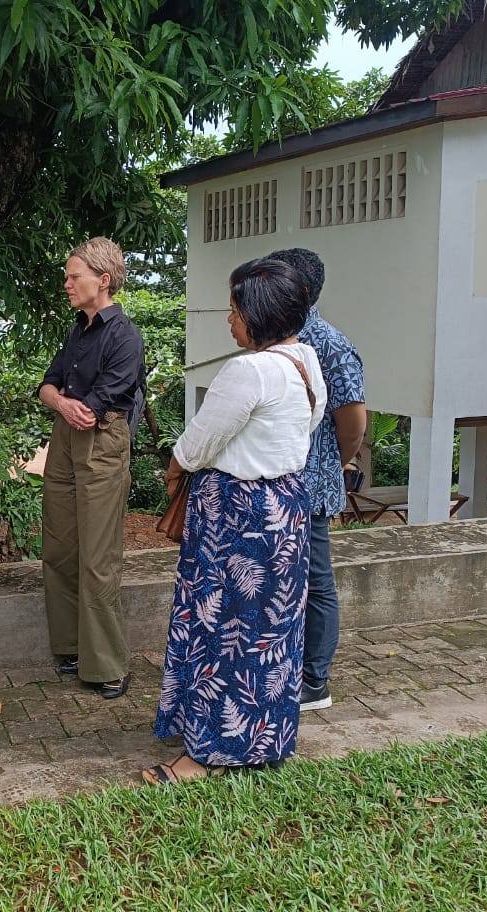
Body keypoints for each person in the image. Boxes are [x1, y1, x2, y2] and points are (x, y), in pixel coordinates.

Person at [144, 258, 326, 783]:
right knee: (270, 628)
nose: (229, 319)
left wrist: (175, 469)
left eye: (235, 309)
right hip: (284, 510)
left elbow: (196, 444)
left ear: (260, 314)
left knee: (222, 628)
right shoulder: (305, 361)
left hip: (235, 514)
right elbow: (310, 425)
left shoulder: (248, 371)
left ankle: (206, 754)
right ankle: (263, 738)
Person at [37, 237, 145, 700]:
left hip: (102, 440)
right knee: (59, 544)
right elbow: (46, 385)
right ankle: (69, 646)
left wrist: (72, 405)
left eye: (72, 276)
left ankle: (107, 665)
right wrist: (62, 402)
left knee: (99, 557)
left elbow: (102, 401)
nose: (66, 284)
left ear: (103, 280)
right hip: (65, 437)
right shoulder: (77, 330)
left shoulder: (124, 334)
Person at [267, 248, 366, 712]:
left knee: (316, 580)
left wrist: (334, 462)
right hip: (278, 481)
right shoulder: (277, 338)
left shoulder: (329, 344)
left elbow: (353, 421)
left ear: (299, 292)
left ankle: (314, 681)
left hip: (310, 483)